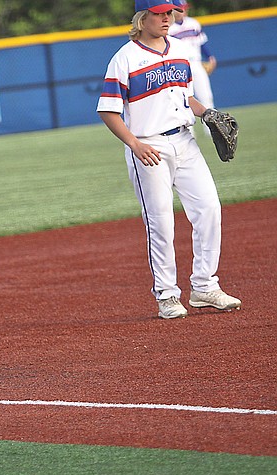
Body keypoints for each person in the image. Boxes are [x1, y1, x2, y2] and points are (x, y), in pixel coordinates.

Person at [96, 0, 241, 320]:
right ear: (141, 18)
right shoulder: (125, 58)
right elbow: (108, 109)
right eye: (159, 14)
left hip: (185, 141)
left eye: (169, 13)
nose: (167, 19)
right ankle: (167, 295)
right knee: (160, 222)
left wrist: (207, 113)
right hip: (148, 147)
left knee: (209, 209)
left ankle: (204, 286)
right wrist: (134, 144)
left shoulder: (179, 49)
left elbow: (184, 95)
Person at [168, 0, 216, 134]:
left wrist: (210, 57)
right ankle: (188, 133)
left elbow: (202, 43)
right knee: (183, 100)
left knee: (206, 96)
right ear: (173, 10)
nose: (183, 11)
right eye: (180, 8)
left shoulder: (193, 23)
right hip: (179, 67)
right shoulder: (169, 28)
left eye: (184, 8)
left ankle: (213, 130)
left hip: (196, 62)